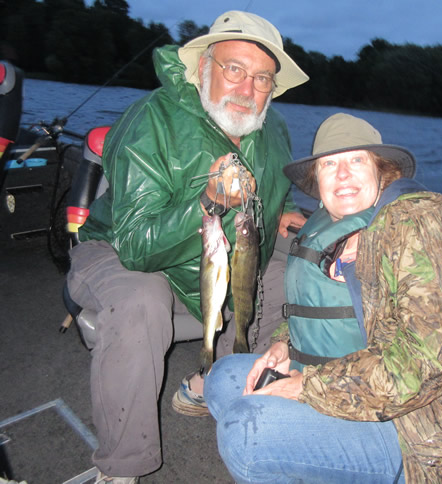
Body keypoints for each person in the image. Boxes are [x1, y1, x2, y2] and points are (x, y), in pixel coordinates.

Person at [204, 113, 442, 483]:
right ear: (316, 180)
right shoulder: (331, 223)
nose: (342, 174)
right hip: (348, 383)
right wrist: (283, 345)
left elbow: (425, 367)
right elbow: (320, 310)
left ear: (381, 170)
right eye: (328, 164)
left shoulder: (419, 228)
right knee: (222, 381)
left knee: (246, 435)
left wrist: (305, 387)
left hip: (431, 427)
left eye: (356, 160)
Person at [65, 11, 308, 483]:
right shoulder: (151, 119)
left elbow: (276, 184)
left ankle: (212, 383)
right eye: (234, 69)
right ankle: (121, 466)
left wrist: (285, 209)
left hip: (217, 255)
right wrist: (207, 203)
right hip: (122, 249)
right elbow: (136, 245)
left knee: (291, 275)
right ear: (203, 67)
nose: (247, 88)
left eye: (262, 78)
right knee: (141, 301)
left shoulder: (273, 128)